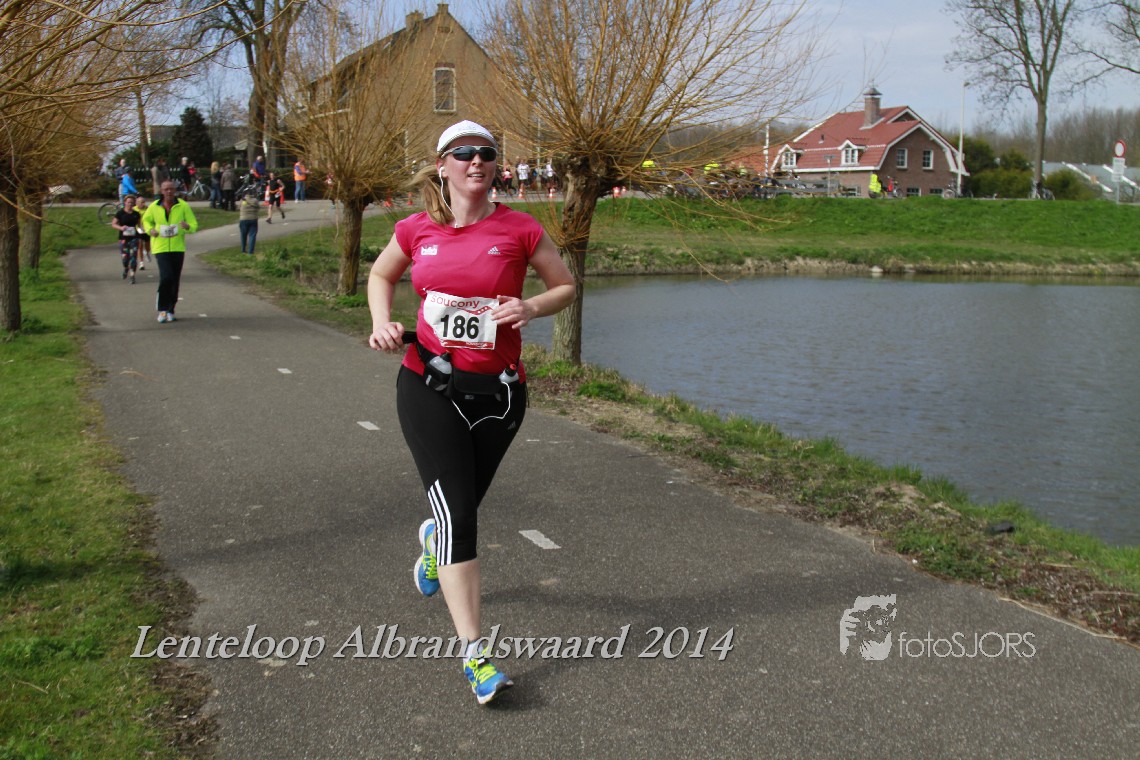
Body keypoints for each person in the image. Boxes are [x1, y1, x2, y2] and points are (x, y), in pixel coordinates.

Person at [366, 120, 575, 705]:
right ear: (443, 166)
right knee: (462, 515)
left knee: (462, 507)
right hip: (428, 385)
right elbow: (381, 273)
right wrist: (382, 322)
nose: (476, 161)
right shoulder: (416, 229)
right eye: (463, 154)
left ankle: (435, 541)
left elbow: (565, 286)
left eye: (486, 153)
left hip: (500, 395)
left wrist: (531, 306)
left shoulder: (520, 228)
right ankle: (475, 656)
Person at [141, 180, 198, 323]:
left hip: (177, 247)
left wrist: (187, 226)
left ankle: (171, 309)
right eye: (166, 189)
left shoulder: (183, 206)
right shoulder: (154, 206)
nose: (169, 192)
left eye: (171, 189)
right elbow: (146, 221)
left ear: (175, 190)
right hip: (160, 247)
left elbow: (194, 224)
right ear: (161, 191)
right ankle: (162, 309)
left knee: (175, 279)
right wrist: (150, 230)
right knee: (166, 277)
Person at [111, 194, 142, 283]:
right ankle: (126, 268)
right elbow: (113, 224)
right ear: (125, 203)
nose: (130, 204)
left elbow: (139, 225)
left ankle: (132, 275)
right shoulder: (120, 213)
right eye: (128, 202)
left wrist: (142, 232)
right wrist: (121, 228)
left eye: (132, 203)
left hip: (134, 238)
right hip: (123, 238)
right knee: (125, 258)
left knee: (133, 257)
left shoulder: (136, 214)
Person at [238, 190, 260, 255]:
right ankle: (250, 252)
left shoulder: (242, 200)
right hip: (253, 219)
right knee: (252, 235)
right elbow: (258, 208)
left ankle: (243, 250)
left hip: (243, 219)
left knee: (243, 235)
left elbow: (239, 207)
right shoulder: (255, 200)